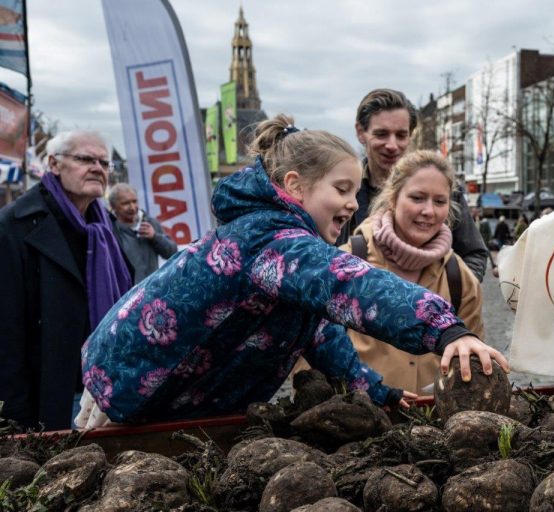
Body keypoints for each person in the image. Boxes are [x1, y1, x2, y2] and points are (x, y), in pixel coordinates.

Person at [77, 114, 508, 427]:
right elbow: (351, 284)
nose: (352, 203)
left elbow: (322, 336)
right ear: (295, 185)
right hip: (129, 392)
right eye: (341, 189)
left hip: (176, 398)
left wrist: (381, 395)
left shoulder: (287, 248)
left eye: (355, 192)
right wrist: (446, 329)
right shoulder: (271, 239)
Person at [0, 130, 132, 430]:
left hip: (106, 391)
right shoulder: (15, 225)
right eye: (85, 159)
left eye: (103, 162)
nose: (98, 168)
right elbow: (6, 330)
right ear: (54, 164)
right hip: (49, 397)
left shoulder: (105, 226)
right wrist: (14, 417)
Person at [341, 150, 485, 394]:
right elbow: (310, 357)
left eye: (440, 201)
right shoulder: (350, 260)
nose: (429, 211)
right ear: (393, 199)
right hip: (359, 421)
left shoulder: (459, 276)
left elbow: (471, 360)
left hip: (434, 424)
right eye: (417, 198)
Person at [338, 88, 488, 282]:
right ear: (361, 132)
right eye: (382, 134)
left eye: (401, 135)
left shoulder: (447, 190)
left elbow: (474, 254)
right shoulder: (342, 189)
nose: (392, 145)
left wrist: (447, 298)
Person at [109, 183, 178, 284]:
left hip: (152, 290)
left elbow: (172, 253)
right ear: (114, 207)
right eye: (125, 203)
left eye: (134, 201)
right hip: (127, 294)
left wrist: (155, 237)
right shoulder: (110, 230)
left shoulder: (150, 223)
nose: (132, 207)